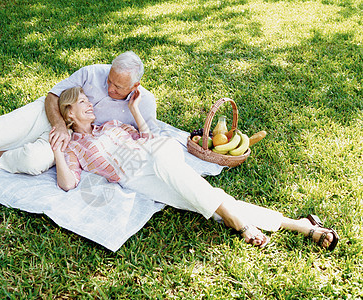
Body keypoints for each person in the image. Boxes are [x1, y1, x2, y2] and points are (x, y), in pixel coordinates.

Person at [51, 86, 340, 250]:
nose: (89, 105)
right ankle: (299, 225)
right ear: (68, 113)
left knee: (166, 160)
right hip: (133, 177)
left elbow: (148, 137)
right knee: (206, 200)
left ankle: (241, 225)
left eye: (89, 100)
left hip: (154, 153)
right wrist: (57, 151)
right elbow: (68, 183)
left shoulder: (112, 124)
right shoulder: (74, 147)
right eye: (82, 102)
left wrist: (136, 110)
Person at [0, 51, 157, 175]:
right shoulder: (93, 72)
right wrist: (59, 124)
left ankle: (0, 154)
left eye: (118, 87)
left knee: (33, 162)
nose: (110, 87)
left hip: (73, 140)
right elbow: (53, 95)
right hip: (47, 114)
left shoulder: (145, 104)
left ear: (134, 86)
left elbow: (147, 142)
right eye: (109, 80)